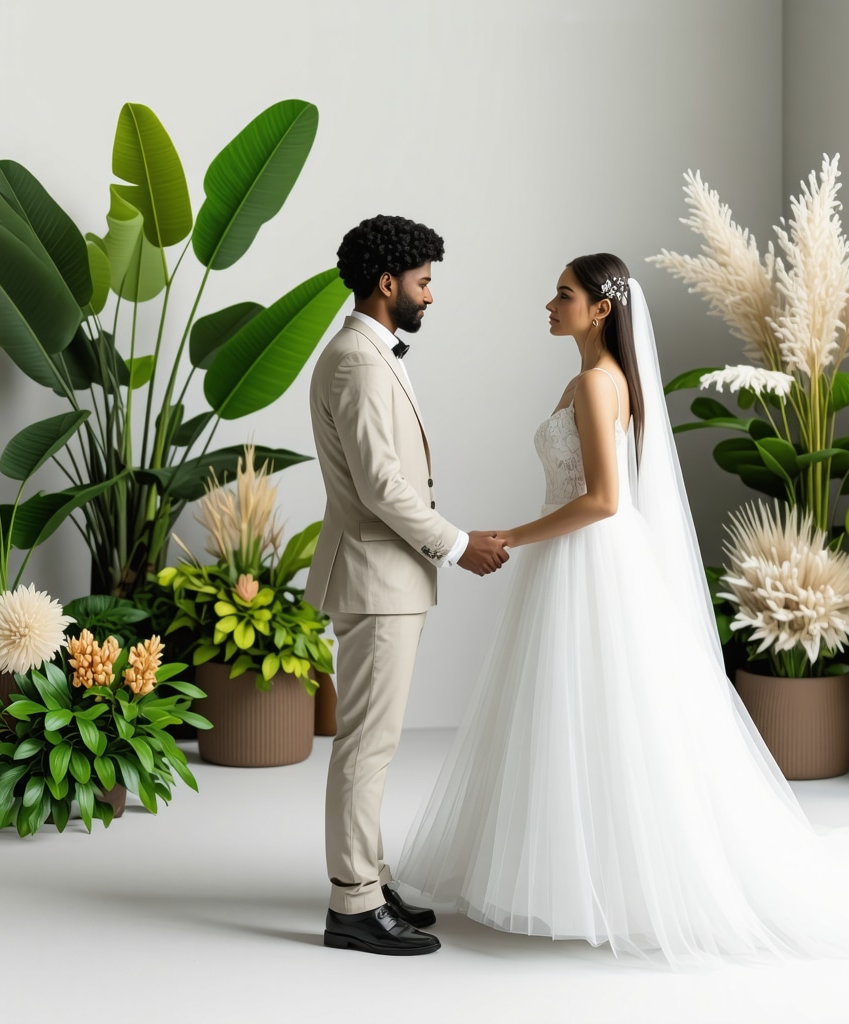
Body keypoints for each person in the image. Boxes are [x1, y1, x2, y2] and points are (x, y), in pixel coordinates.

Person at [394, 253, 849, 966]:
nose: (550, 302)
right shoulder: (594, 380)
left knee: (600, 716)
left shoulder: (599, 386)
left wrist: (512, 533)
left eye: (563, 293)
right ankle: (571, 878)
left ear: (601, 309)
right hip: (576, 561)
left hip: (589, 560)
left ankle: (605, 884)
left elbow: (605, 500)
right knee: (568, 716)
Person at [304, 214, 508, 957]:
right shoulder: (359, 361)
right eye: (424, 282)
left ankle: (369, 879)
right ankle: (352, 905)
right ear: (387, 284)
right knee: (366, 746)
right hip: (375, 579)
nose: (431, 295)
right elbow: (384, 486)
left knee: (373, 743)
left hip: (384, 577)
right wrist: (459, 545)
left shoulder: (368, 351)